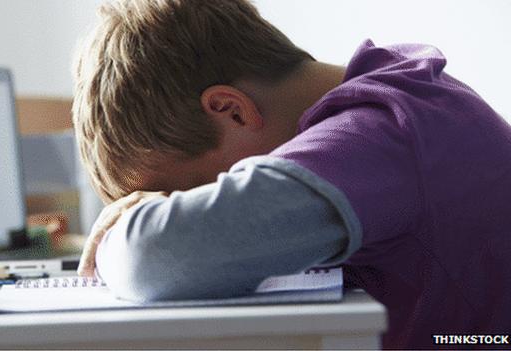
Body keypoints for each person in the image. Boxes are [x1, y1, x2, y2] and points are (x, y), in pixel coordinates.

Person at [71, 0, 511, 348]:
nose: (196, 208)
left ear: (231, 110)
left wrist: (118, 235)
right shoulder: (400, 97)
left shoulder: (381, 135)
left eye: (192, 195)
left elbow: (157, 257)